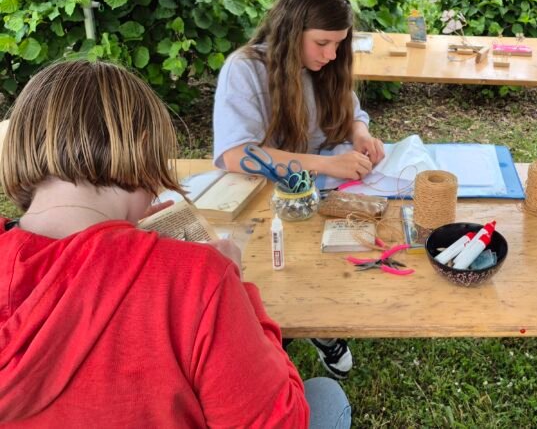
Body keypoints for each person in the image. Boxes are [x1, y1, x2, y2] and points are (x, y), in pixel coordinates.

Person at [0, 59, 351, 428]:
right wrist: (235, 288)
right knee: (326, 398)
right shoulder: (198, 279)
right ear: (145, 149)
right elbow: (281, 422)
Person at [214, 0, 384, 378]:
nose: (331, 54)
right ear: (291, 30)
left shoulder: (326, 65)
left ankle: (320, 326)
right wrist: (325, 165)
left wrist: (360, 133)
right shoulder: (245, 70)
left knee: (328, 270)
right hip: (263, 203)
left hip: (320, 196)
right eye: (322, 43)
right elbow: (234, 154)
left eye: (339, 43)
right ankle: (270, 349)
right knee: (273, 285)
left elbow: (350, 110)